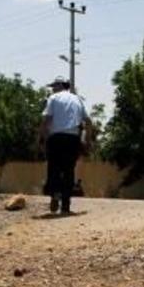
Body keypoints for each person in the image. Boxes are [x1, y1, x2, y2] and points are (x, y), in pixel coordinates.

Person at [38, 77, 92, 215]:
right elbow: (88, 121)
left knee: (54, 168)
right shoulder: (77, 99)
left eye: (54, 86)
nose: (52, 89)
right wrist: (87, 141)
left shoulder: (53, 98)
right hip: (72, 139)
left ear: (61, 85)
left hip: (56, 138)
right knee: (69, 170)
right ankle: (66, 206)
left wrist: (42, 139)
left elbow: (46, 119)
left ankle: (55, 194)